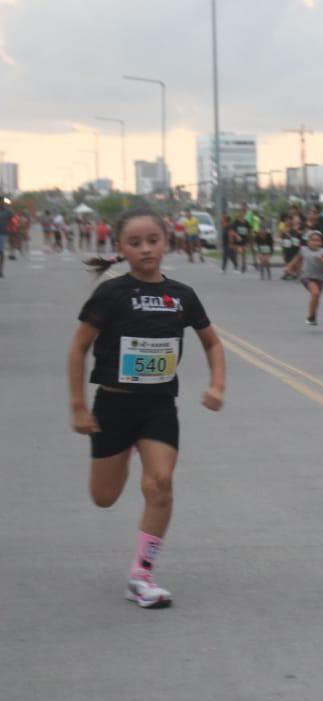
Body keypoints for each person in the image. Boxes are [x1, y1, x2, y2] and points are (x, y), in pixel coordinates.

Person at [68, 209, 227, 608]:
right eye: (135, 243)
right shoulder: (110, 294)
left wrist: (217, 385)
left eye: (152, 241)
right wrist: (79, 406)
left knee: (160, 484)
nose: (145, 249)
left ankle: (142, 575)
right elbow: (78, 348)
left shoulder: (182, 295)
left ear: (166, 242)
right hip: (113, 406)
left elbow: (212, 342)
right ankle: (124, 453)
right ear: (121, 248)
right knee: (104, 497)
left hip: (158, 406)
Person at [297, 231, 323, 326]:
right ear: (308, 242)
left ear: (321, 242)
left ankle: (313, 316)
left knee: (316, 297)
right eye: (313, 240)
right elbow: (297, 259)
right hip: (307, 277)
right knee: (315, 293)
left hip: (320, 278)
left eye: (318, 240)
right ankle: (311, 316)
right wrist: (289, 267)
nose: (315, 242)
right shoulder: (304, 250)